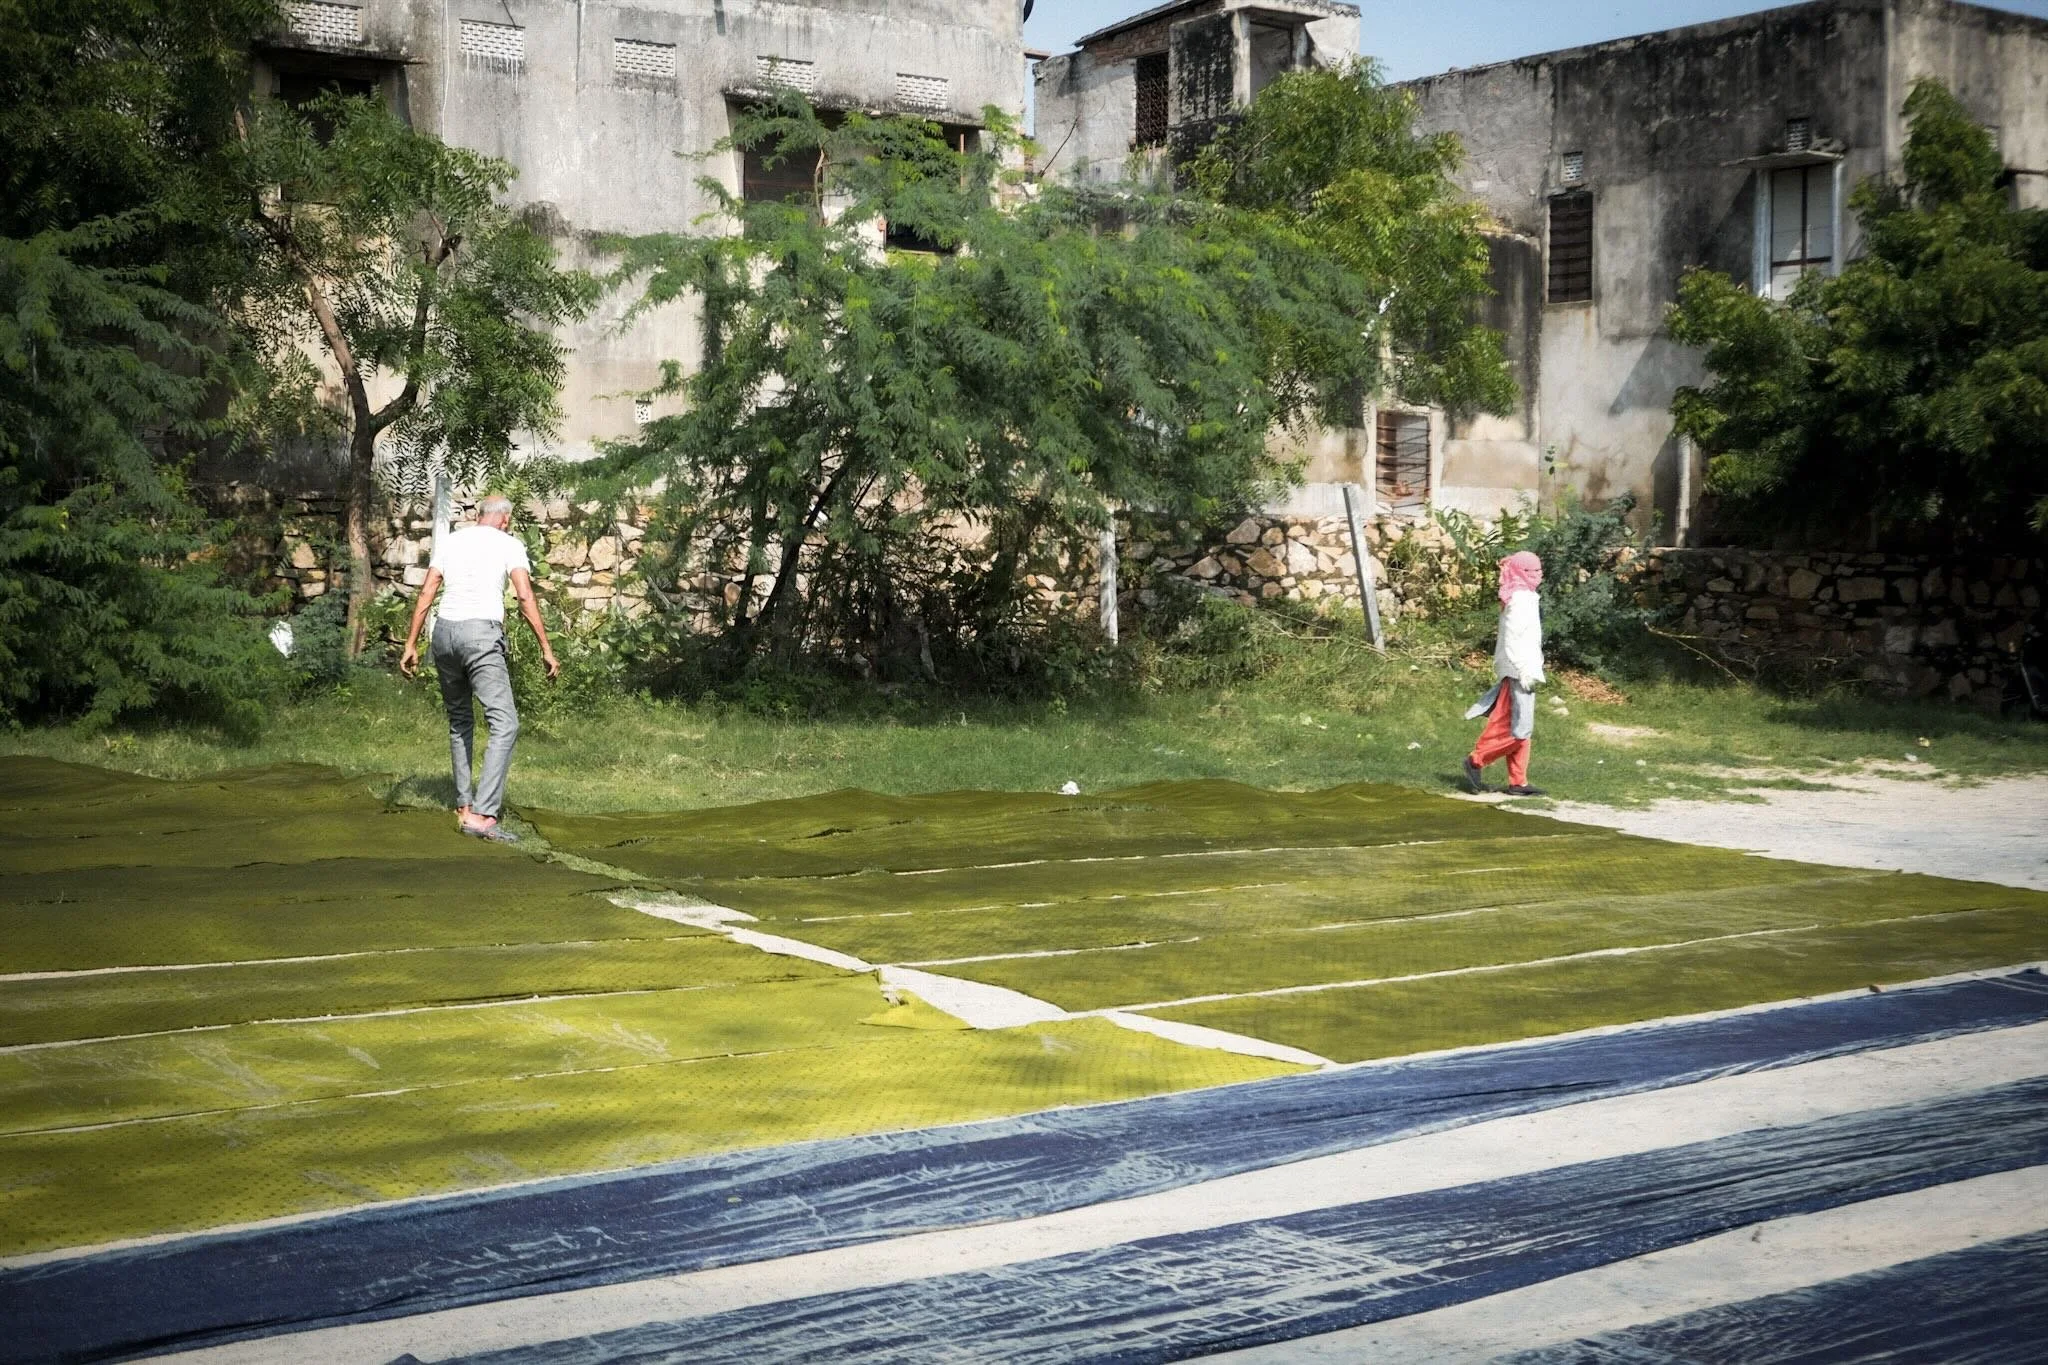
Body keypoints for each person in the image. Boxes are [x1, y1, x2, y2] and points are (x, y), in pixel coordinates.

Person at [399, 495, 559, 842]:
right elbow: (525, 597)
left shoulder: (451, 541)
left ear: (480, 516)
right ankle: (484, 814)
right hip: (480, 635)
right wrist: (546, 648)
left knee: (460, 719)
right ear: (505, 520)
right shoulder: (509, 544)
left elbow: (428, 591)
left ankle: (463, 805)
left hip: (444, 634)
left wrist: (410, 643)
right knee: (505, 723)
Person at [1463, 550, 1546, 797]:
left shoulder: (1524, 595)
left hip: (1523, 668)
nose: (1537, 574)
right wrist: (1523, 669)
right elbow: (1512, 638)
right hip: (1520, 671)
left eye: (1539, 570)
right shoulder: (1520, 598)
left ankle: (1518, 782)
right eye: (1531, 571)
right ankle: (1476, 760)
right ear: (1521, 572)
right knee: (1521, 729)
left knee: (1515, 725)